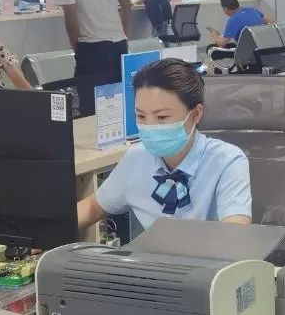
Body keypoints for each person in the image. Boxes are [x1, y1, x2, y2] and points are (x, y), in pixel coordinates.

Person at [75, 58, 252, 234]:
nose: (150, 126)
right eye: (141, 116)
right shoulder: (136, 158)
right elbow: (92, 207)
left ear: (196, 114)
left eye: (162, 117)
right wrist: (58, 229)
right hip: (151, 253)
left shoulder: (227, 161)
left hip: (212, 252)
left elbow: (235, 235)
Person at [54, 0, 131, 115]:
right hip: (119, 46)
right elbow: (126, 4)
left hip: (91, 49)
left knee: (91, 107)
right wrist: (123, 33)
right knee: (118, 102)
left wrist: (76, 48)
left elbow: (70, 18)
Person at [207, 0, 272, 48]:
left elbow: (222, 43)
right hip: (262, 47)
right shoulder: (253, 10)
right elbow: (270, 21)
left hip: (246, 52)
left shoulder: (233, 20)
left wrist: (215, 34)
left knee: (210, 47)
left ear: (225, 9)